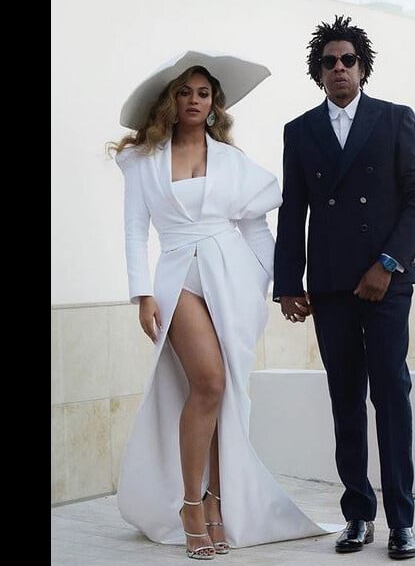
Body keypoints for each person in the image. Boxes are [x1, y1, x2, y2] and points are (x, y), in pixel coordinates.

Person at [109, 51, 333, 560]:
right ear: (172, 101)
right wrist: (141, 293)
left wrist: (268, 282)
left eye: (203, 93)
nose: (193, 100)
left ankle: (214, 500)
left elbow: (257, 228)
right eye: (184, 92)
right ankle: (191, 505)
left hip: (231, 278)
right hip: (175, 275)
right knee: (207, 381)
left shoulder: (233, 163)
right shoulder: (144, 162)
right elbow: (132, 232)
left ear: (214, 105)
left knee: (220, 393)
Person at [273, 17, 415, 560]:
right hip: (332, 287)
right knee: (345, 400)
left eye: (348, 60)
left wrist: (387, 263)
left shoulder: (394, 120)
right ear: (318, 74)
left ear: (362, 68)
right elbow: (293, 211)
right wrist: (287, 283)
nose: (338, 69)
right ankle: (358, 516)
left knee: (390, 396)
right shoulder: (299, 131)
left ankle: (402, 522)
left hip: (386, 282)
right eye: (329, 62)